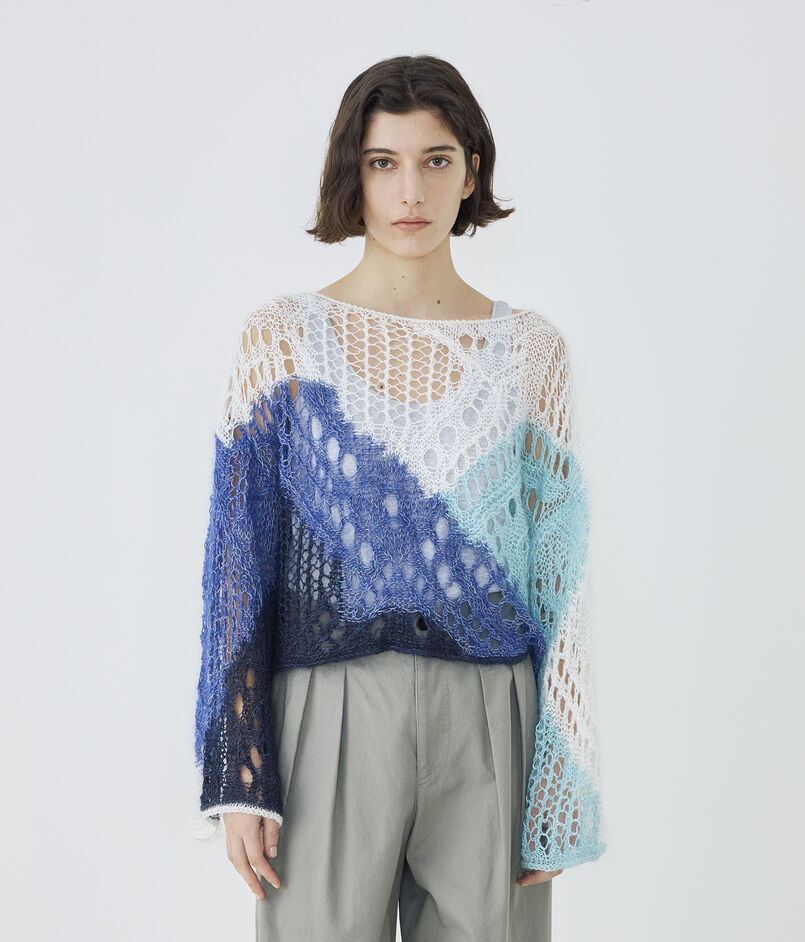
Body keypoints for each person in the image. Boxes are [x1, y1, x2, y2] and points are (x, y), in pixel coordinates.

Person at [194, 54, 607, 941]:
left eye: (435, 160)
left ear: (472, 173)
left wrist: (563, 773)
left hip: (490, 712)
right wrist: (240, 769)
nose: (410, 191)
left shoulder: (531, 351)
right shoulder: (283, 339)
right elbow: (238, 564)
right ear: (353, 174)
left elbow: (559, 576)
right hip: (326, 711)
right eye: (383, 163)